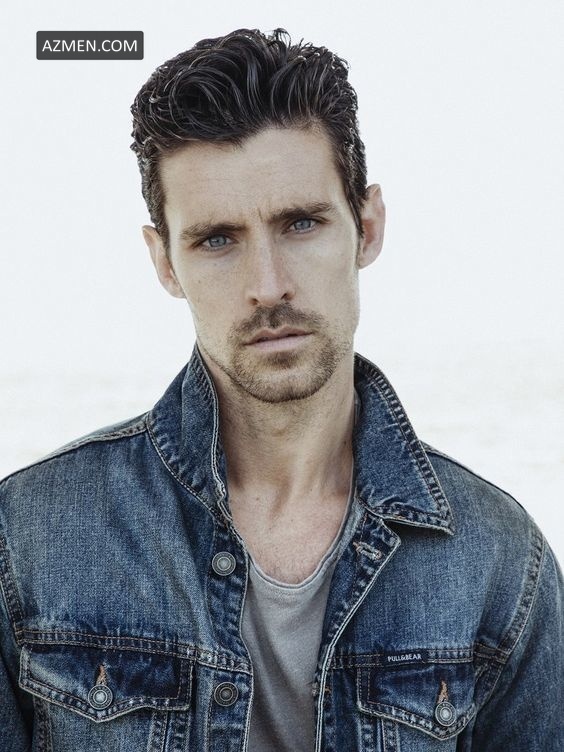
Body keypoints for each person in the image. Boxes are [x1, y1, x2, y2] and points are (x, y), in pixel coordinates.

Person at [0, 27, 562, 752]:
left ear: (367, 227)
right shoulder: (28, 538)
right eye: (217, 239)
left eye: (300, 223)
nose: (268, 287)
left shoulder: (499, 560)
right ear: (164, 262)